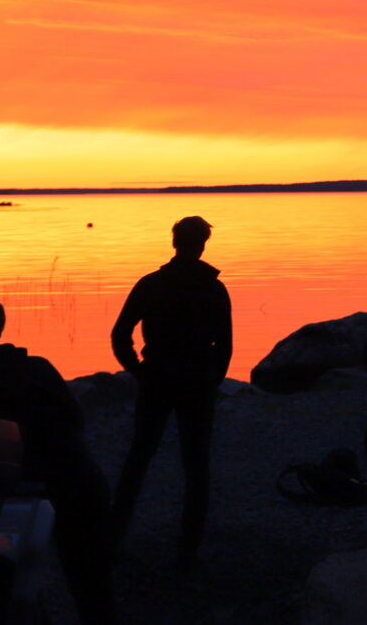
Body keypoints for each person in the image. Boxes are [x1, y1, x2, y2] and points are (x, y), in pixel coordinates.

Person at [0, 297, 117, 625]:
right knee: (93, 589)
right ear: (0, 331)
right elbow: (75, 420)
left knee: (7, 589)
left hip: (32, 495)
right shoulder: (40, 367)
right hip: (81, 481)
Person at [110, 214, 232, 569]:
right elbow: (225, 344)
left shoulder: (151, 284)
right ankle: (188, 549)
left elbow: (120, 334)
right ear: (203, 244)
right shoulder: (213, 288)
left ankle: (114, 534)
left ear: (174, 241)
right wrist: (213, 380)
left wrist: (137, 370)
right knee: (196, 464)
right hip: (195, 381)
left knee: (139, 455)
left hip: (158, 377)